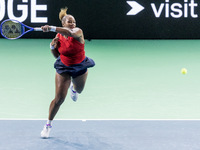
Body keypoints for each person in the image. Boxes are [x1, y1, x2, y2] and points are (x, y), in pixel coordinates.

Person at [40, 7, 95, 138]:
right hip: (64, 67)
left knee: (79, 90)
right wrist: (52, 47)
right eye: (69, 22)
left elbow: (70, 33)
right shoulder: (58, 36)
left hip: (80, 66)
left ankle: (74, 88)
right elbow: (57, 55)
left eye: (74, 22)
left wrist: (51, 28)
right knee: (59, 99)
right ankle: (48, 125)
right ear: (63, 24)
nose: (73, 24)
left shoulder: (77, 32)